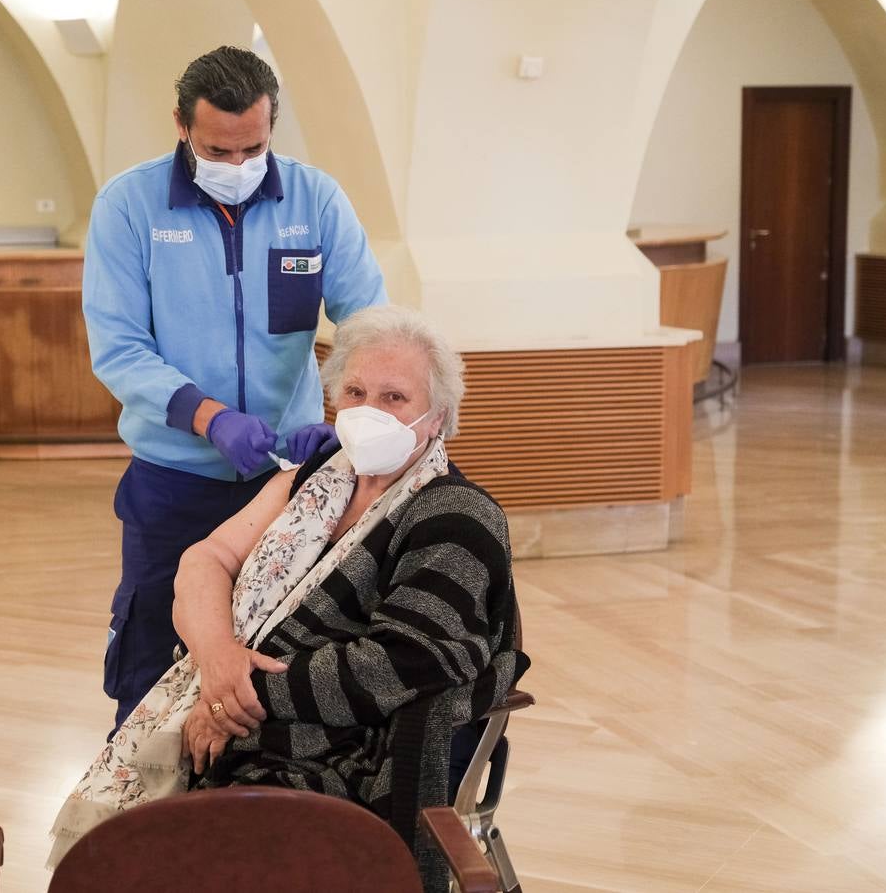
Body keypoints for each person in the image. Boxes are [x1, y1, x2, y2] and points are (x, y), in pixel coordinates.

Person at [49, 306, 529, 878]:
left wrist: (236, 700)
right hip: (242, 718)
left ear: (436, 418)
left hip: (345, 748)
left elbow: (400, 662)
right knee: (135, 856)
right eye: (354, 390)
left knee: (204, 854)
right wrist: (218, 662)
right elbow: (204, 561)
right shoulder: (317, 476)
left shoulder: (457, 516)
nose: (368, 410)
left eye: (394, 398)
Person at [83, 45, 388, 731]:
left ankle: (254, 811)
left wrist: (345, 419)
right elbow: (120, 347)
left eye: (252, 148)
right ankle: (145, 809)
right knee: (153, 658)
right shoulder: (128, 207)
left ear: (272, 125)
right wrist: (210, 417)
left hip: (287, 480)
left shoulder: (315, 200)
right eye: (218, 151)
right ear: (181, 126)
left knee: (277, 653)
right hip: (174, 483)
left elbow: (368, 324)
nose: (237, 167)